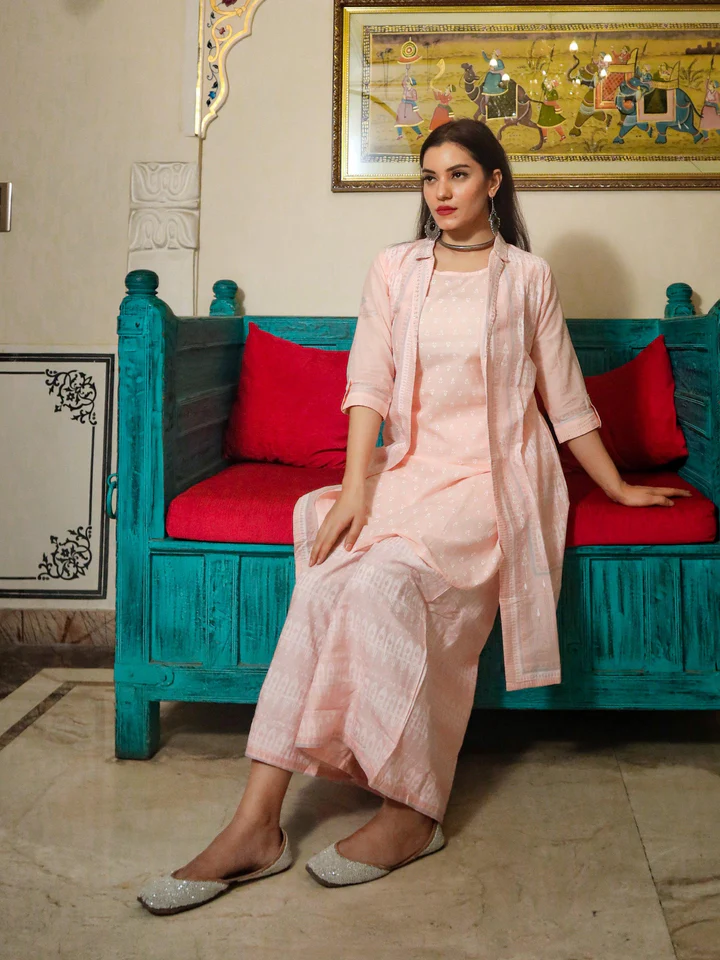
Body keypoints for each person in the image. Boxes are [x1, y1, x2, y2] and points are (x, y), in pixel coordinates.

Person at [137, 118, 692, 915]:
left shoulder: (527, 278)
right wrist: (355, 489)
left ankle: (411, 809)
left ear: (493, 182)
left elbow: (567, 402)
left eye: (459, 174)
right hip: (406, 473)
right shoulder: (394, 269)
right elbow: (367, 382)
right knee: (325, 580)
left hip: (493, 481)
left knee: (386, 583)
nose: (441, 191)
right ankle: (255, 824)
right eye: (430, 177)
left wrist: (620, 487)